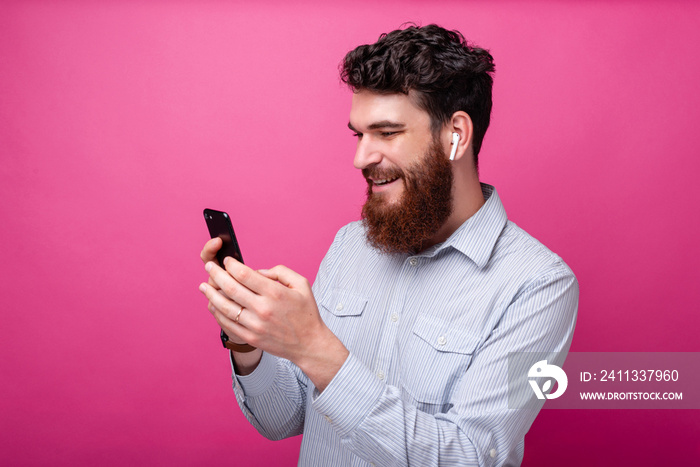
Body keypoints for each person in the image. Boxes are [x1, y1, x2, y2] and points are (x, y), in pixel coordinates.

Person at [199, 24, 578, 466]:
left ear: (456, 134)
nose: (361, 158)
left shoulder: (539, 286)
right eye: (359, 135)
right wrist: (249, 339)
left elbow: (471, 457)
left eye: (387, 133)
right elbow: (283, 418)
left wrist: (316, 349)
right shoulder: (351, 244)